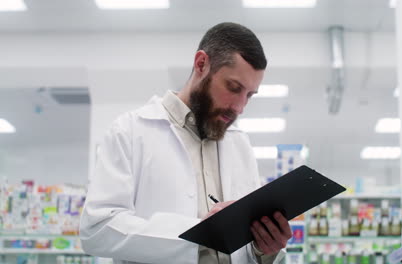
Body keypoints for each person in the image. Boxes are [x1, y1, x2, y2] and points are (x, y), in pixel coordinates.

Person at [79, 22, 292, 264]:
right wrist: (196, 233)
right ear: (201, 64)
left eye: (249, 95)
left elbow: (244, 249)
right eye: (234, 88)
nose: (240, 107)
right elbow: (96, 229)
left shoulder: (239, 145)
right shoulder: (130, 131)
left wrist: (264, 248)